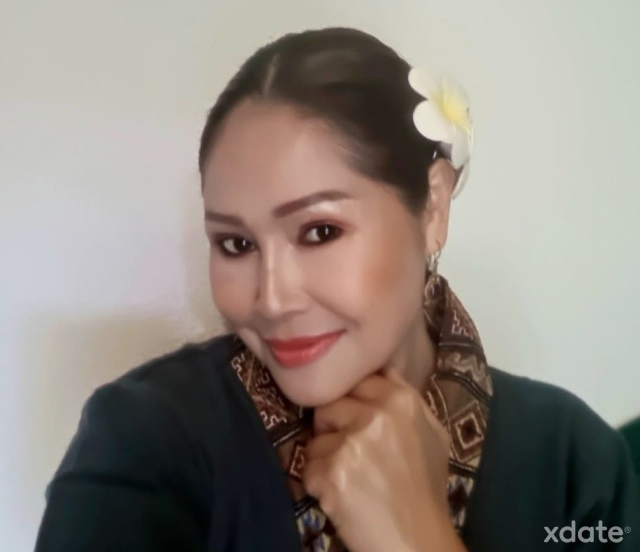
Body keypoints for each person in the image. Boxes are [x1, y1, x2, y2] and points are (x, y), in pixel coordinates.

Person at [35, 28, 640, 552]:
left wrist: (417, 537)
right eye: (236, 244)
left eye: (320, 232)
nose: (272, 300)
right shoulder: (146, 438)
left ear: (433, 207)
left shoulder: (575, 461)